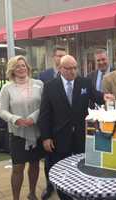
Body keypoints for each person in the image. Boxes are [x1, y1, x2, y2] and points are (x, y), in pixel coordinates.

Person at [38, 55, 114, 200]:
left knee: (82, 168)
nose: (73, 71)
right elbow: (45, 114)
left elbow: (96, 96)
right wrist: (46, 137)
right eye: (68, 68)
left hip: (82, 136)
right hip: (59, 137)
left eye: (75, 68)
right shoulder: (50, 86)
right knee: (62, 173)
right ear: (60, 69)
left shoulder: (84, 82)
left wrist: (105, 97)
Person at [0, 55, 44, 200]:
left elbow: (44, 105)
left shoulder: (39, 83)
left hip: (36, 132)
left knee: (35, 164)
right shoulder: (7, 88)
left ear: (28, 67)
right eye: (17, 66)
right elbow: (2, 111)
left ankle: (32, 193)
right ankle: (16, 198)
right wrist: (15, 119)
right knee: (18, 168)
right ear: (12, 69)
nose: (21, 68)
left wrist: (33, 118)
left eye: (23, 65)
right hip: (18, 134)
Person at [39, 45, 66, 200]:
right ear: (53, 58)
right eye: (58, 55)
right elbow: (43, 108)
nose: (60, 58)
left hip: (66, 127)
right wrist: (45, 134)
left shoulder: (71, 73)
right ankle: (49, 186)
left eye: (63, 55)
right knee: (49, 160)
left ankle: (65, 187)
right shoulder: (44, 76)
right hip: (50, 125)